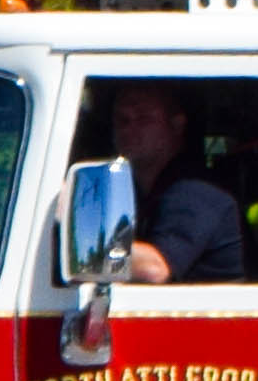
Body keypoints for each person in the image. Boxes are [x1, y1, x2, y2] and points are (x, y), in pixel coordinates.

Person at [104, 85, 244, 285]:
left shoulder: (195, 190)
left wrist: (86, 253)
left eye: (144, 119)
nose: (129, 129)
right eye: (122, 120)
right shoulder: (135, 190)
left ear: (177, 125)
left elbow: (155, 267)